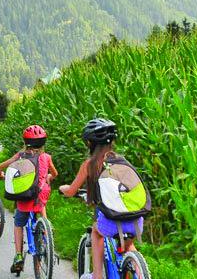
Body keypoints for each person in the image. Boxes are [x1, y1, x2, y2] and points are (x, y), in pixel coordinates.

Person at [59, 118, 144, 279]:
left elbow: (71, 191)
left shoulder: (90, 165)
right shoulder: (122, 161)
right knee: (128, 245)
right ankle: (140, 274)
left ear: (90, 143)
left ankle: (97, 275)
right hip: (136, 221)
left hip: (111, 223)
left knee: (97, 232)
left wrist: (63, 189)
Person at [0, 125, 58, 274]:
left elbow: (2, 166)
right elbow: (54, 174)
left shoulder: (20, 156)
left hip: (24, 199)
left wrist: (0, 173)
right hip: (40, 197)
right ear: (43, 143)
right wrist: (48, 177)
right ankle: (46, 230)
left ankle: (18, 255)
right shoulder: (46, 157)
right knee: (41, 198)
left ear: (25, 142)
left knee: (18, 223)